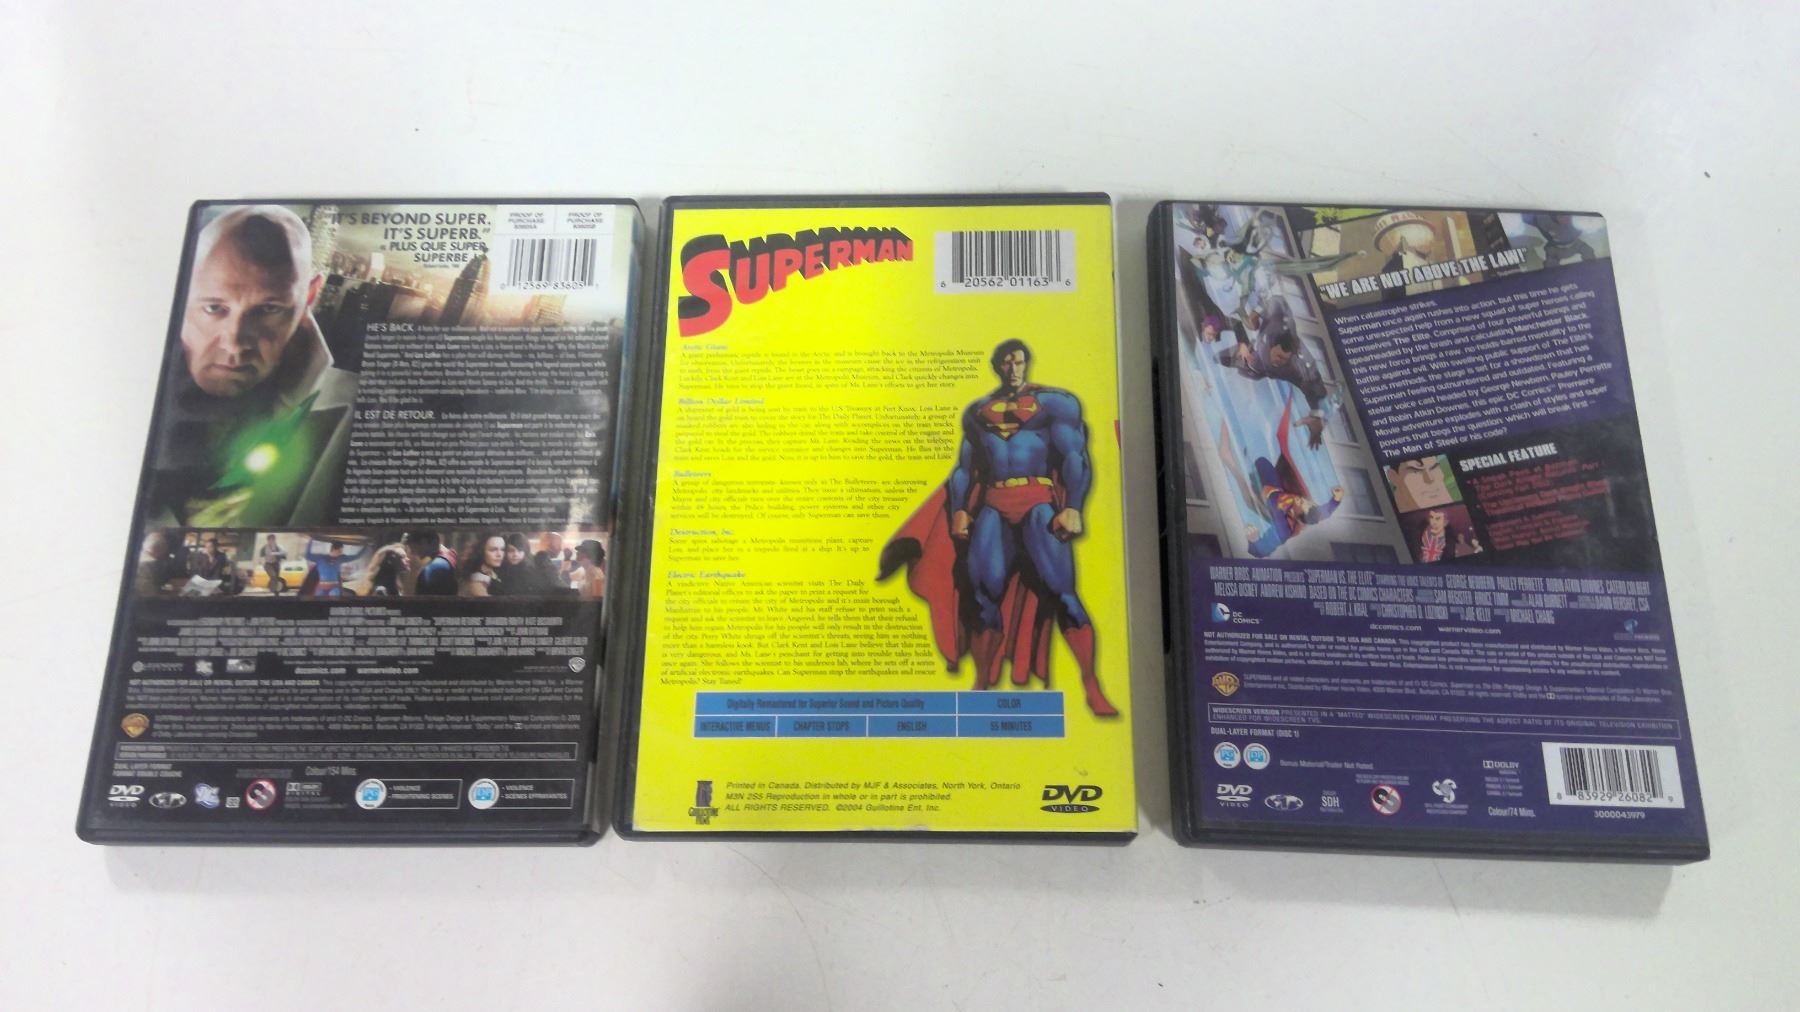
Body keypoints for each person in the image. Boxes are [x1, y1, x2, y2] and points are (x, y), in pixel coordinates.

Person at [880, 340, 1118, 717]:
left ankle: (1091, 686)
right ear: (997, 366)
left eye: (1019, 361)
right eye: (1006, 363)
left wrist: (1073, 506)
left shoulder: (1056, 403)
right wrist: (960, 510)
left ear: (1027, 362)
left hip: (1037, 501)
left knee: (1063, 594)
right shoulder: (977, 412)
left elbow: (1075, 455)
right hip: (994, 503)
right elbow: (965, 468)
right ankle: (982, 682)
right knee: (981, 595)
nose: (1014, 368)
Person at [146, 205, 357, 528]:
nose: (235, 344)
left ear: (309, 297)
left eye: (269, 309)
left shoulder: (341, 413)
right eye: (214, 308)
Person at [1217, 298, 1333, 449]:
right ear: (1273, 345)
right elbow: (1277, 300)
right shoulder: (1276, 322)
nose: (1279, 361)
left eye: (1284, 359)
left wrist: (1317, 416)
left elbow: (1317, 389)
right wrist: (1255, 315)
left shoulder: (1300, 366)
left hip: (1262, 370)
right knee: (1220, 358)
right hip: (1253, 358)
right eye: (1278, 356)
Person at [407, 530, 458, 596]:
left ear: (424, 542)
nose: (412, 552)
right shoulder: (451, 557)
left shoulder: (433, 568)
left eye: (414, 547)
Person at [459, 533, 506, 597]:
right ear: (482, 552)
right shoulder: (477, 581)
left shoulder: (494, 572)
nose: (499, 554)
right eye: (493, 550)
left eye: (502, 549)